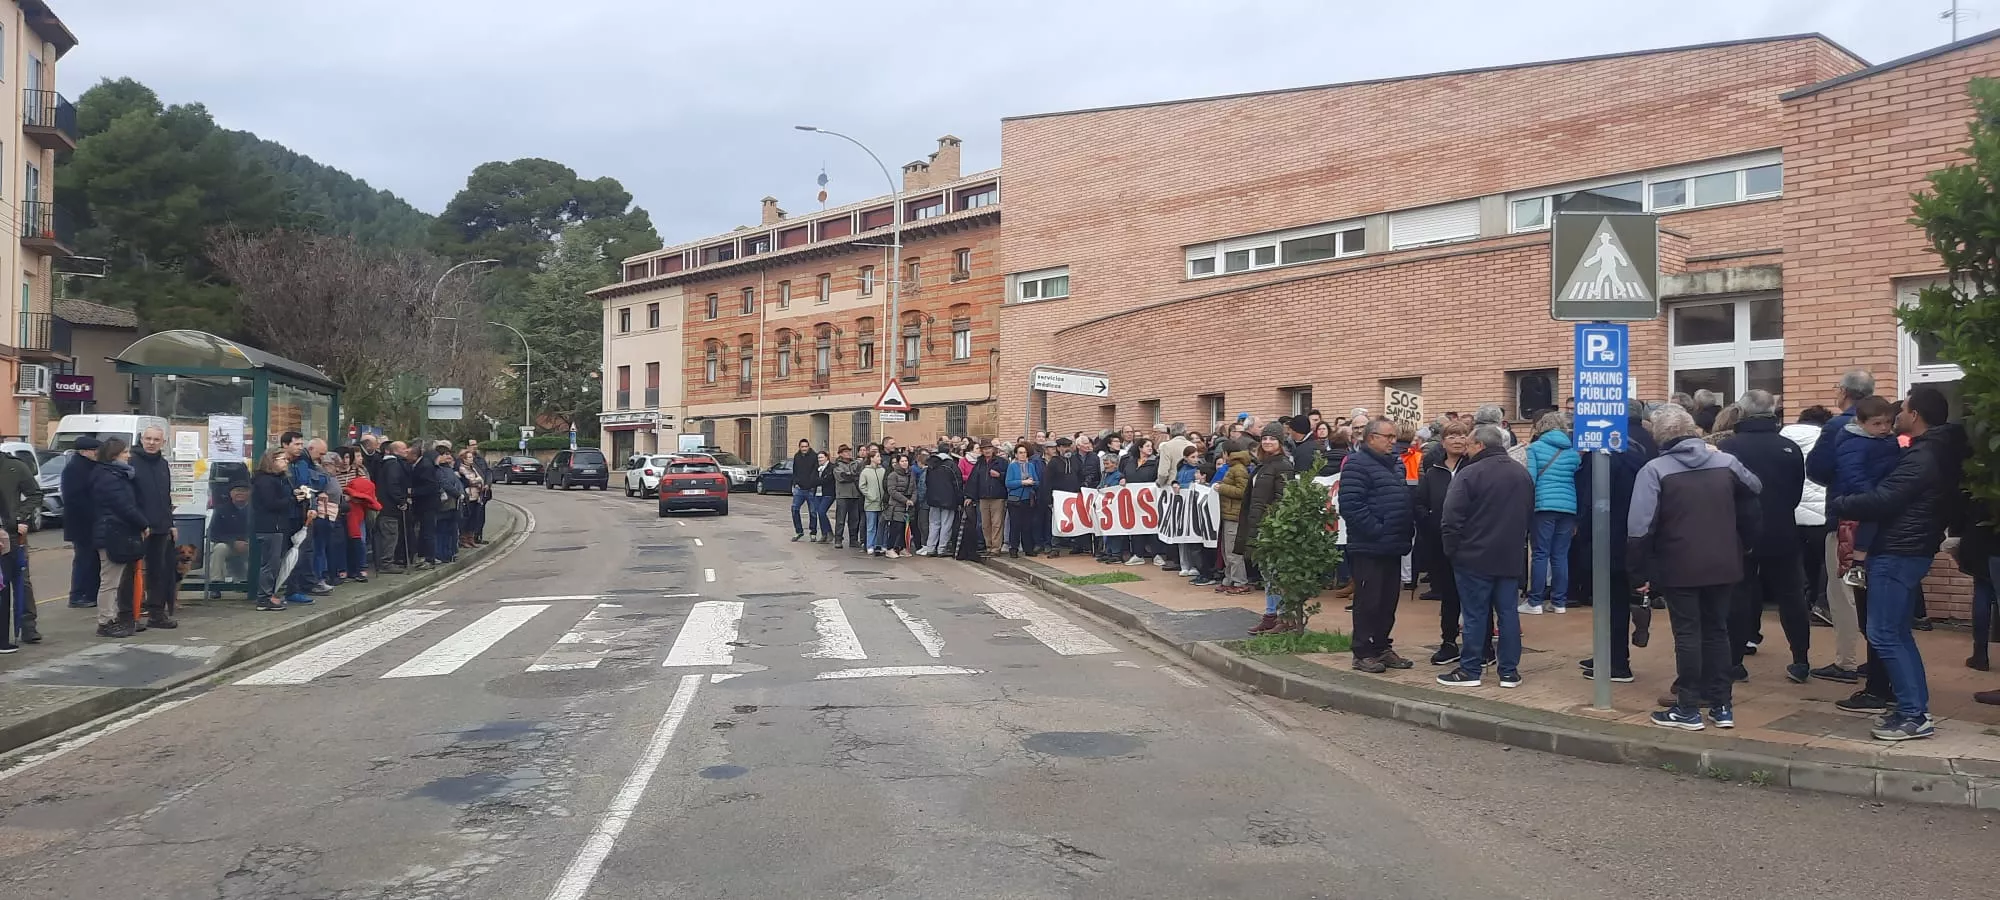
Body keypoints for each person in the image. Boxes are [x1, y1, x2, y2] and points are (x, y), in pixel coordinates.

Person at [1828, 386, 1958, 741]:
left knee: (1885, 633)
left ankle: (1914, 714)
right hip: (1907, 547)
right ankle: (1910, 708)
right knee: (1896, 633)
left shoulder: (1923, 456)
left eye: (1903, 410)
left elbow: (1885, 499)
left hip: (1899, 550)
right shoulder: (1931, 450)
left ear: (1915, 416)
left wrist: (1841, 503)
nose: (1897, 414)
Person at [1628, 404, 1763, 731]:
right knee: (1717, 630)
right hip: (1723, 561)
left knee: (1687, 632)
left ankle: (1687, 707)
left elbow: (1639, 527)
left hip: (1679, 563)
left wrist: (1639, 572)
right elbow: (1755, 488)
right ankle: (1722, 705)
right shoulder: (1726, 462)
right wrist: (1745, 542)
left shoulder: (1655, 470)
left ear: (1659, 435)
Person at [1717, 390, 1810, 683]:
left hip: (1739, 531)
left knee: (1739, 594)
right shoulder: (1789, 447)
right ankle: (1801, 659)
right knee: (1792, 596)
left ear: (1741, 413)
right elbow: (1797, 491)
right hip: (1783, 530)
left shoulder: (1729, 448)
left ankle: (1733, 662)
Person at [1436, 423, 1534, 687]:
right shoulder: (1521, 474)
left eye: (1469, 444)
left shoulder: (1469, 474)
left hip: (1473, 557)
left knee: (1475, 614)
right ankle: (1509, 672)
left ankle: (1470, 669)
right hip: (1509, 556)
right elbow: (1528, 513)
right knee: (1508, 614)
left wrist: (1452, 551)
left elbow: (1451, 518)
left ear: (1480, 445)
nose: (1466, 449)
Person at [1576, 399, 1659, 683]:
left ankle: (1616, 662)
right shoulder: (1648, 443)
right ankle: (1608, 654)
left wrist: (1583, 532)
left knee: (1610, 599)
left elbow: (1591, 497)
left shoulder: (1607, 450)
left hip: (1608, 533)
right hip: (1637, 532)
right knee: (1617, 597)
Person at [1340, 418, 1417, 672]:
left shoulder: (1395, 465)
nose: (1393, 442)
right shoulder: (1357, 465)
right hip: (1369, 546)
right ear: (1372, 438)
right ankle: (1362, 651)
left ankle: (1382, 646)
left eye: (1394, 437)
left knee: (1388, 601)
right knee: (1368, 601)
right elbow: (1351, 506)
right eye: (1389, 437)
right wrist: (1378, 530)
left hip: (1393, 545)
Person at [1417, 422, 1484, 666]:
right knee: (1448, 595)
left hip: (1472, 543)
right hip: (1441, 544)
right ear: (1443, 441)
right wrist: (1429, 523)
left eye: (1462, 435)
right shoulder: (1433, 471)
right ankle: (1448, 642)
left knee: (1476, 595)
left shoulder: (1476, 467)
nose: (1457, 440)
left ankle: (1481, 645)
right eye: (1452, 435)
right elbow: (1420, 503)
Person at [1830, 395, 1899, 590]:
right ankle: (1857, 565)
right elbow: (1853, 473)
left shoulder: (1887, 440)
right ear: (1861, 423)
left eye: (1888, 422)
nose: (1884, 428)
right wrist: (1872, 495)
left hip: (1882, 493)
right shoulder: (1853, 442)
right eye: (1877, 424)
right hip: (1863, 496)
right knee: (1867, 526)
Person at [90, 438, 151, 637]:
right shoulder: (109, 477)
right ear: (114, 454)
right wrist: (143, 522)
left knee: (114, 579)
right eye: (125, 452)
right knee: (110, 580)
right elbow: (123, 506)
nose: (129, 455)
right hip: (111, 533)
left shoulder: (116, 474)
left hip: (116, 531)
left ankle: (111, 616)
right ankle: (105, 621)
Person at [1522, 412, 1581, 615]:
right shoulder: (1573, 453)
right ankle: (1559, 602)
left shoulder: (1535, 448)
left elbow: (1530, 479)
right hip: (1569, 507)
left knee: (1540, 554)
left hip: (1543, 506)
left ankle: (1535, 602)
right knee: (1560, 555)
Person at [1783, 407, 1836, 629]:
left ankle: (1802, 603)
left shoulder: (1783, 437)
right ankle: (1823, 605)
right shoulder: (1827, 438)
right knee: (1826, 561)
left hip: (1791, 512)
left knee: (1801, 563)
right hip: (1821, 512)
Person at [1242, 431, 1298, 634]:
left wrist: (1270, 521)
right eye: (1264, 438)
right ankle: (1270, 615)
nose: (1267, 442)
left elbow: (1283, 497)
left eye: (1272, 439)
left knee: (1276, 573)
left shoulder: (1283, 465)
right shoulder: (1263, 465)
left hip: (1273, 527)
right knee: (1267, 572)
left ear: (1280, 443)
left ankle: (1284, 616)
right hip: (1260, 525)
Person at [127, 426, 178, 629]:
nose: (151, 443)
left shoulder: (163, 464)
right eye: (148, 438)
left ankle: (157, 614)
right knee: (132, 573)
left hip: (160, 527)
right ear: (141, 439)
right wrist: (139, 522)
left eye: (156, 439)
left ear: (162, 442)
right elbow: (129, 498)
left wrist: (171, 523)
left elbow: (166, 497)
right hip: (138, 527)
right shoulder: (131, 462)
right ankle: (131, 616)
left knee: (159, 572)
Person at [0, 445, 41, 646]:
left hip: (11, 534)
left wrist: (20, 518)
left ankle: (27, 625)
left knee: (20, 580)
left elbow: (35, 495)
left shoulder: (14, 467)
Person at [251, 450, 300, 611]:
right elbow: (271, 503)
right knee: (270, 564)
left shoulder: (279, 479)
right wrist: (293, 499)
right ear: (272, 461)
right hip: (270, 526)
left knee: (274, 562)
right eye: (283, 459)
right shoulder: (265, 481)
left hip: (277, 525)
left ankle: (269, 594)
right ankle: (264, 598)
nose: (286, 462)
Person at [62, 436, 102, 608]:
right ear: (85, 452)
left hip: (91, 522)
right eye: (95, 450)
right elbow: (75, 498)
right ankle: (78, 595)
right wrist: (94, 513)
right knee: (84, 559)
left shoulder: (90, 466)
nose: (97, 453)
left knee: (93, 560)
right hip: (82, 524)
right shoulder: (75, 469)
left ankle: (90, 593)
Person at [1214, 439, 1254, 595]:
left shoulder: (1238, 469)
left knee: (1233, 550)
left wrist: (1222, 488)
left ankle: (1240, 581)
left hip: (1234, 515)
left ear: (1226, 453)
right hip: (1228, 514)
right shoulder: (1234, 468)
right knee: (1226, 550)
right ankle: (1229, 579)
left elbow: (1243, 491)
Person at [1043, 438, 1089, 558]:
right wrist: (1049, 499)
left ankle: (1077, 545)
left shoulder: (1075, 460)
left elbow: (1081, 476)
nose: (1067, 448)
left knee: (1075, 519)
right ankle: (1055, 547)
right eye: (1063, 446)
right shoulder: (1054, 462)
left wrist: (1082, 488)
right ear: (1058, 448)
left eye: (1068, 446)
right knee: (1057, 521)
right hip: (1058, 497)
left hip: (1073, 496)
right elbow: (1047, 481)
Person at [375, 441, 412, 574]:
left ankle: (388, 561)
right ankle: (386, 563)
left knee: (391, 534)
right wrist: (401, 500)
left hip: (387, 505)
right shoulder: (394, 465)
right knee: (390, 535)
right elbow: (393, 485)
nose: (406, 451)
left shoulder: (386, 464)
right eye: (403, 448)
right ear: (396, 451)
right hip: (390, 507)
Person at [208, 480, 253, 583]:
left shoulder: (255, 510)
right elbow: (213, 533)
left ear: (250, 493)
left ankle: (251, 583)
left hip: (249, 544)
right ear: (230, 493)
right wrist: (233, 542)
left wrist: (247, 542)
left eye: (244, 490)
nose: (240, 493)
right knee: (219, 548)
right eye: (237, 490)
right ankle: (216, 583)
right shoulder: (221, 510)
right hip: (228, 545)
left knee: (260, 549)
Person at [919, 448, 961, 556]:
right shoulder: (951, 465)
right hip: (949, 499)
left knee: (933, 524)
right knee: (946, 524)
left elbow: (927, 482)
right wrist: (959, 500)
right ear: (949, 452)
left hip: (933, 499)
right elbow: (957, 483)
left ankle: (930, 548)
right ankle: (942, 549)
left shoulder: (931, 464)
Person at [971, 442, 1008, 556]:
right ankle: (988, 546)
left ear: (993, 449)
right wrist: (970, 496)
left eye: (989, 448)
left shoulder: (1001, 462)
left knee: (997, 523)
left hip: (998, 496)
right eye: (984, 449)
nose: (987, 451)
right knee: (985, 524)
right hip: (983, 497)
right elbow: (973, 480)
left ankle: (996, 548)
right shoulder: (979, 463)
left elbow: (1008, 477)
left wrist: (999, 475)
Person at [1003, 444, 1039, 558]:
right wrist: (1022, 482)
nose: (1023, 455)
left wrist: (1032, 482)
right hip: (1015, 500)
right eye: (1020, 453)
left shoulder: (1031, 466)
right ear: (1016, 455)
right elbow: (1008, 483)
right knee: (1015, 525)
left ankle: (1028, 548)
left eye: (1024, 452)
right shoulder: (1012, 466)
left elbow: (1037, 481)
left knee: (1027, 525)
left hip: (1028, 499)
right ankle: (1013, 548)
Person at [883, 453, 915, 559]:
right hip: (896, 505)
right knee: (895, 527)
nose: (904, 463)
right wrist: (905, 500)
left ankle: (902, 548)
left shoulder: (911, 474)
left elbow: (914, 489)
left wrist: (912, 500)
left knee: (904, 529)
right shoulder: (893, 475)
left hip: (908, 505)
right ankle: (890, 548)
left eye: (906, 461)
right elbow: (892, 490)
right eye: (902, 461)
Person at [790, 438, 820, 541]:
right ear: (799, 447)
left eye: (806, 446)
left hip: (811, 489)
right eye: (802, 447)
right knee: (794, 509)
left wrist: (812, 484)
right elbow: (795, 471)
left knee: (812, 511)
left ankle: (813, 533)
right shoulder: (797, 456)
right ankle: (799, 531)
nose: (804, 448)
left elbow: (815, 472)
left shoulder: (814, 456)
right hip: (799, 489)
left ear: (809, 447)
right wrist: (795, 483)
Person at [457, 448, 486, 551]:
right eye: (469, 457)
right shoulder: (462, 469)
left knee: (474, 518)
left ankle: (471, 538)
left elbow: (481, 479)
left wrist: (478, 481)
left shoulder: (473, 468)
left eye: (471, 457)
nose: (471, 459)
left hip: (476, 496)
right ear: (464, 459)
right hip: (468, 497)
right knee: (466, 519)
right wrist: (476, 481)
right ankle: (463, 539)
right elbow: (469, 481)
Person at [859, 449, 887, 556]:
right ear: (872, 458)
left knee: (883, 526)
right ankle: (870, 545)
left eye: (879, 456)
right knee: (871, 526)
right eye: (877, 456)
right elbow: (862, 486)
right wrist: (871, 496)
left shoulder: (882, 471)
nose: (879, 458)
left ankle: (881, 545)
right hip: (871, 503)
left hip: (882, 503)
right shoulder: (865, 472)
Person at [810, 451, 836, 541]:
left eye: (821, 457)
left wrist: (819, 480)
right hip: (817, 493)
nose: (819, 459)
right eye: (818, 458)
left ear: (826, 458)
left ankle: (829, 532)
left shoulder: (831, 467)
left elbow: (828, 480)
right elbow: (812, 480)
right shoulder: (817, 468)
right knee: (820, 514)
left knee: (821, 511)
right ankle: (825, 534)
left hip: (828, 494)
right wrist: (820, 480)